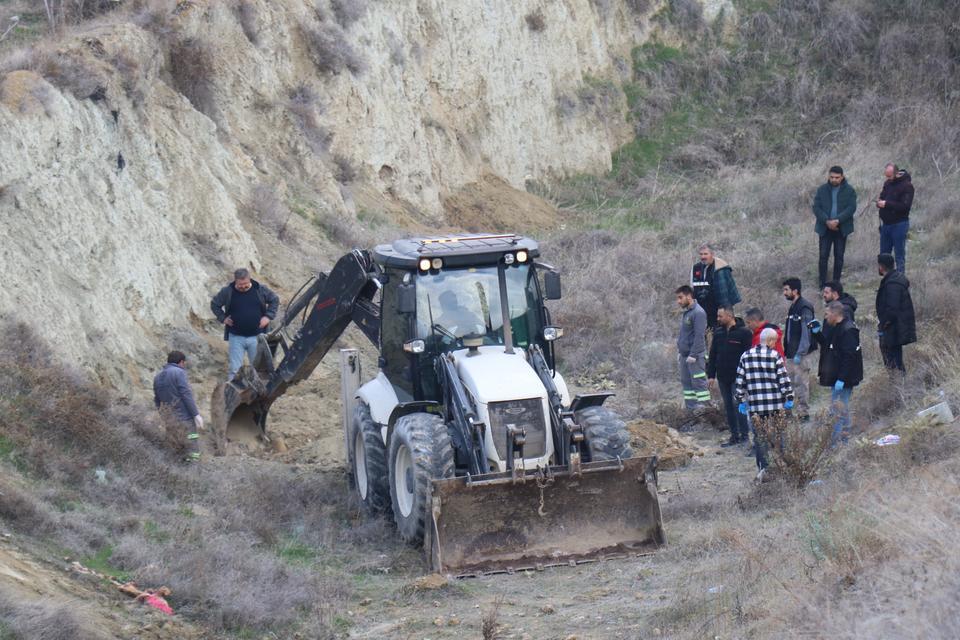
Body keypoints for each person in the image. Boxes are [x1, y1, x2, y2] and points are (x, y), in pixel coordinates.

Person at [735, 328, 794, 476]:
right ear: (770, 341)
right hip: (775, 405)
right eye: (775, 341)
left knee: (760, 438)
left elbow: (740, 381)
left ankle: (763, 470)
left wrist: (741, 400)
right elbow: (784, 381)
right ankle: (780, 466)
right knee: (779, 435)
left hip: (756, 406)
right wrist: (790, 397)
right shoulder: (775, 356)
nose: (775, 345)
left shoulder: (745, 356)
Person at [210, 268, 280, 379]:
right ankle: (232, 394)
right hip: (236, 337)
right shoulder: (228, 291)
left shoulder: (260, 289)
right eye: (240, 285)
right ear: (235, 281)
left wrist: (268, 316)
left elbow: (275, 300)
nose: (243, 287)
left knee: (258, 371)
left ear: (249, 280)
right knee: (234, 369)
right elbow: (214, 304)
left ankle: (257, 394)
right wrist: (223, 318)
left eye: (245, 284)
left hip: (257, 337)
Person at [810, 301, 864, 445]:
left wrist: (841, 378)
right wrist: (817, 334)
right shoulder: (837, 327)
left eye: (827, 314)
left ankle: (836, 443)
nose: (825, 317)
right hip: (838, 376)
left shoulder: (848, 330)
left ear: (835, 314)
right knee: (842, 408)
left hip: (845, 377)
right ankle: (843, 440)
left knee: (838, 410)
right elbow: (829, 346)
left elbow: (849, 356)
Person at [707, 307, 753, 446]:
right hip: (722, 377)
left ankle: (745, 435)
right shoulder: (719, 333)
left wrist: (747, 376)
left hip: (738, 377)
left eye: (720, 316)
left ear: (729, 316)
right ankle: (734, 436)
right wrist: (711, 375)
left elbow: (748, 355)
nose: (718, 319)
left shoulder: (744, 333)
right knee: (728, 406)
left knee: (739, 405)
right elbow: (713, 354)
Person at [153, 351, 203, 462]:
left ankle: (177, 470)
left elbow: (157, 400)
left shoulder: (157, 377)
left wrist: (164, 416)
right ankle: (194, 468)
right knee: (192, 444)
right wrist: (196, 414)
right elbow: (186, 394)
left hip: (170, 419)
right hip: (185, 418)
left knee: (173, 447)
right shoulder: (179, 372)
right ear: (181, 362)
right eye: (184, 363)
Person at [811, 166, 857, 287]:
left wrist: (838, 220)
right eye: (831, 177)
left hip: (841, 228)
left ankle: (836, 284)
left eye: (837, 177)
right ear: (828, 176)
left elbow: (851, 208)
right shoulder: (822, 190)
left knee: (839, 256)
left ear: (842, 177)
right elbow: (816, 207)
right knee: (823, 256)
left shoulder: (850, 190)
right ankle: (822, 285)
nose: (834, 179)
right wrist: (827, 221)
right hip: (825, 228)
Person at [875, 253, 916, 374]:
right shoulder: (894, 280)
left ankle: (898, 386)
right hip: (896, 326)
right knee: (894, 358)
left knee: (894, 361)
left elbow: (892, 308)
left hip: (894, 328)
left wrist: (885, 324)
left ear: (881, 267)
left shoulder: (892, 284)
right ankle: (898, 384)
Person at [781, 278, 816, 421]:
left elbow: (806, 333)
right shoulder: (793, 307)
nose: (784, 293)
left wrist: (800, 353)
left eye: (786, 290)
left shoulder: (804, 307)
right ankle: (788, 412)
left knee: (802, 384)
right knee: (789, 384)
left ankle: (804, 414)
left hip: (801, 355)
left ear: (795, 291)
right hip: (790, 353)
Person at [690, 244, 742, 331]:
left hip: (718, 310)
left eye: (706, 254)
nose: (703, 256)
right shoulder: (695, 268)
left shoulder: (721, 269)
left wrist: (725, 312)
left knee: (720, 333)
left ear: (712, 254)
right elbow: (692, 289)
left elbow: (725, 294)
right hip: (701, 310)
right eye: (701, 254)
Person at [675, 285, 710, 410]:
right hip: (685, 356)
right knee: (687, 384)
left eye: (680, 298)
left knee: (699, 384)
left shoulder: (698, 312)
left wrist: (693, 354)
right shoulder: (688, 313)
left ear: (689, 296)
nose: (678, 301)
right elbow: (685, 335)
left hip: (695, 357)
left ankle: (706, 412)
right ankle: (691, 412)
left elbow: (699, 336)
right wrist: (681, 351)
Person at [876, 164, 914, 274]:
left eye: (889, 176)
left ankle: (900, 281)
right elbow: (882, 197)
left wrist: (886, 204)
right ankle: (885, 282)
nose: (888, 179)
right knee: (884, 255)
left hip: (899, 224)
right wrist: (879, 203)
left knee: (899, 255)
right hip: (886, 224)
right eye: (886, 176)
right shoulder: (887, 183)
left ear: (897, 173)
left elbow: (905, 206)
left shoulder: (907, 186)